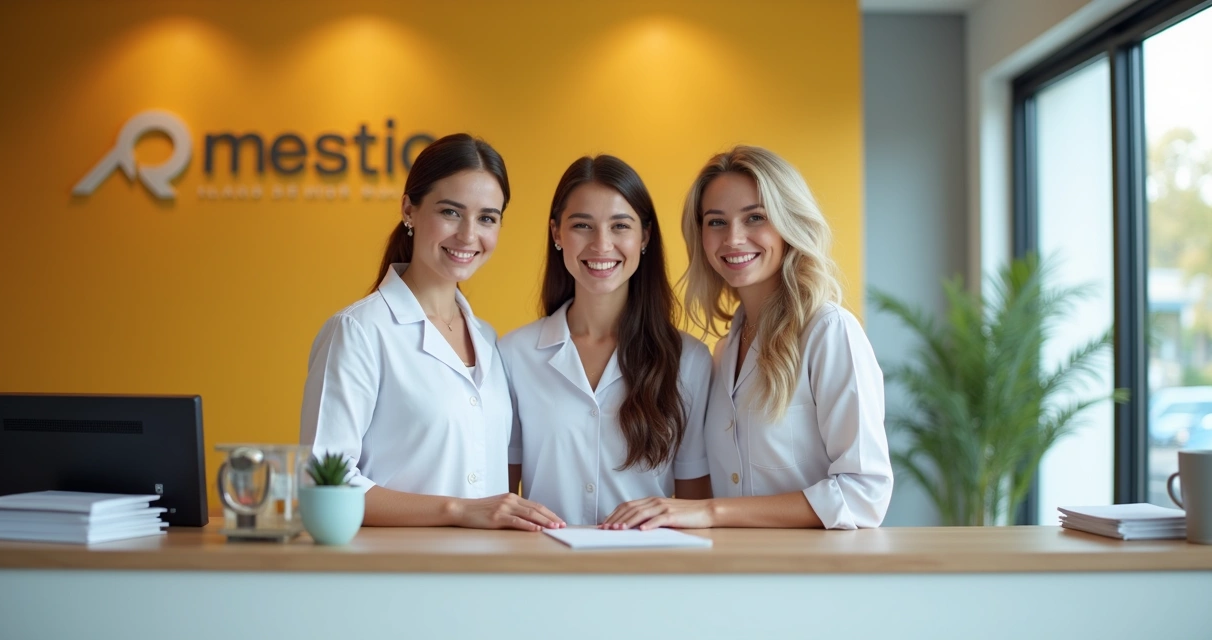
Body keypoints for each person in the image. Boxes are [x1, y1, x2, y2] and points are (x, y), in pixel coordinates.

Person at [603, 145, 892, 530]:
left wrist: (710, 512)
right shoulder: (723, 354)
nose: (734, 239)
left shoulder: (828, 333)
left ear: (790, 224)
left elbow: (864, 494)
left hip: (815, 579)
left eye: (755, 218)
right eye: (717, 222)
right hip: (736, 576)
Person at [300, 133, 564, 531]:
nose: (468, 235)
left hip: (484, 577)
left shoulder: (489, 341)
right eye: (451, 212)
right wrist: (458, 510)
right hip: (396, 577)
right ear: (409, 208)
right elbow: (323, 482)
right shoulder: (358, 331)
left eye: (487, 218)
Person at [499, 155, 712, 526]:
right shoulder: (513, 354)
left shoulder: (689, 359)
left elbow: (695, 505)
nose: (601, 244)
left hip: (646, 574)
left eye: (620, 226)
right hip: (542, 571)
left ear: (644, 236)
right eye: (582, 225)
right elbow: (500, 494)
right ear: (557, 234)